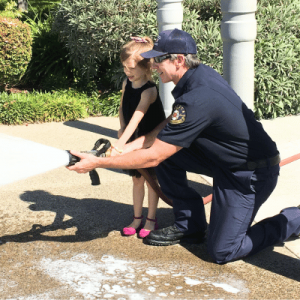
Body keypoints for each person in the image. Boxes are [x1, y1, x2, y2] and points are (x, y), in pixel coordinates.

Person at [67, 29, 300, 264]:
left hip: (248, 174)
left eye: (158, 59)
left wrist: (99, 162)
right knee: (170, 156)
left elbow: (153, 157)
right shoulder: (196, 76)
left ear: (178, 60)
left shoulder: (198, 97)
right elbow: (169, 127)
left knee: (224, 250)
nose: (153, 65)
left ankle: (294, 219)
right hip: (224, 162)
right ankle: (190, 225)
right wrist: (125, 148)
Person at [111, 36, 166, 238]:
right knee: (136, 180)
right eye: (125, 67)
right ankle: (136, 218)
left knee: (152, 181)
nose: (128, 72)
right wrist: (121, 128)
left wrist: (119, 144)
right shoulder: (127, 83)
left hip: (148, 141)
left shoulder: (149, 91)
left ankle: (151, 218)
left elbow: (137, 117)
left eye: (132, 68)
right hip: (131, 138)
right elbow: (123, 109)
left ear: (147, 67)